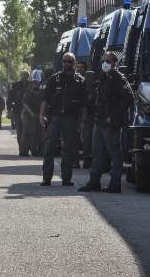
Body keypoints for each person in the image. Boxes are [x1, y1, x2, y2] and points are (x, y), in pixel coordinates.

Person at [79, 52, 134, 193]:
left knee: (115, 154)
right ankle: (94, 182)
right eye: (103, 61)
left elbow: (128, 98)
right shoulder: (104, 77)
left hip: (110, 123)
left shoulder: (119, 78)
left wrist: (113, 117)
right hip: (100, 120)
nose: (105, 63)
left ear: (115, 63)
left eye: (108, 61)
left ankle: (115, 184)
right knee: (97, 152)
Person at [39, 53, 87, 186]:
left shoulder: (80, 81)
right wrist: (41, 116)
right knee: (49, 147)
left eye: (70, 62)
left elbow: (84, 104)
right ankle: (46, 178)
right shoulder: (54, 79)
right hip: (55, 117)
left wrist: (82, 121)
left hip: (71, 119)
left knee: (69, 149)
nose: (67, 64)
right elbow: (45, 99)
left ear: (74, 63)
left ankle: (66, 179)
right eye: (65, 61)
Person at [76, 61, 94, 169]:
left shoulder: (90, 84)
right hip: (76, 115)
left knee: (87, 140)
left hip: (87, 115)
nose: (80, 69)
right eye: (78, 67)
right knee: (75, 139)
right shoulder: (74, 81)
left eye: (82, 68)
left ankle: (87, 160)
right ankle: (75, 161)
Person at [8, 71, 30, 153]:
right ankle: (21, 148)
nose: (24, 77)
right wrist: (9, 109)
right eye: (23, 75)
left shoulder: (30, 85)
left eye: (26, 75)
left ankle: (26, 148)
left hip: (28, 112)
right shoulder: (16, 85)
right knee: (19, 131)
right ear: (21, 76)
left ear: (28, 76)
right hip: (18, 111)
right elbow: (10, 98)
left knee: (27, 130)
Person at [20, 79, 43, 156]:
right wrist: (31, 112)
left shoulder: (40, 93)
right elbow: (25, 103)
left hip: (37, 115)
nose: (36, 85)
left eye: (37, 84)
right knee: (26, 132)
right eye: (34, 84)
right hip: (28, 115)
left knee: (36, 133)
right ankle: (24, 151)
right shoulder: (28, 92)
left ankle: (35, 150)